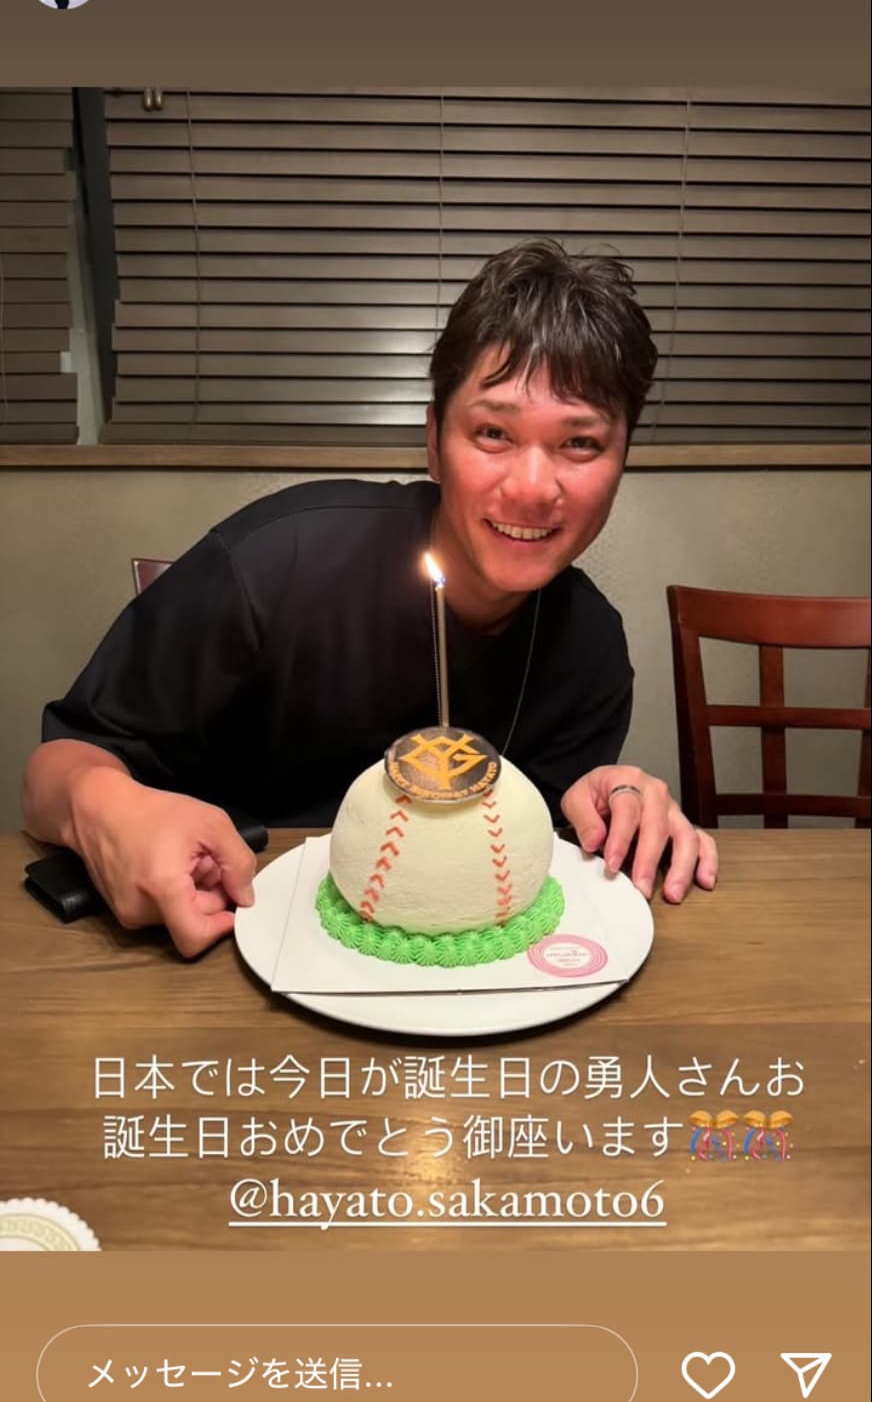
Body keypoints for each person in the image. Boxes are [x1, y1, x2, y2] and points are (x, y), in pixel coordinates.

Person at [21, 240, 718, 958]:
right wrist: (106, 806)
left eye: (580, 444)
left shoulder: (590, 646)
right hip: (218, 951)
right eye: (493, 433)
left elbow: (519, 869)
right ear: (434, 441)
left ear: (622, 460)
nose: (534, 487)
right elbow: (51, 773)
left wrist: (605, 805)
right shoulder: (273, 563)